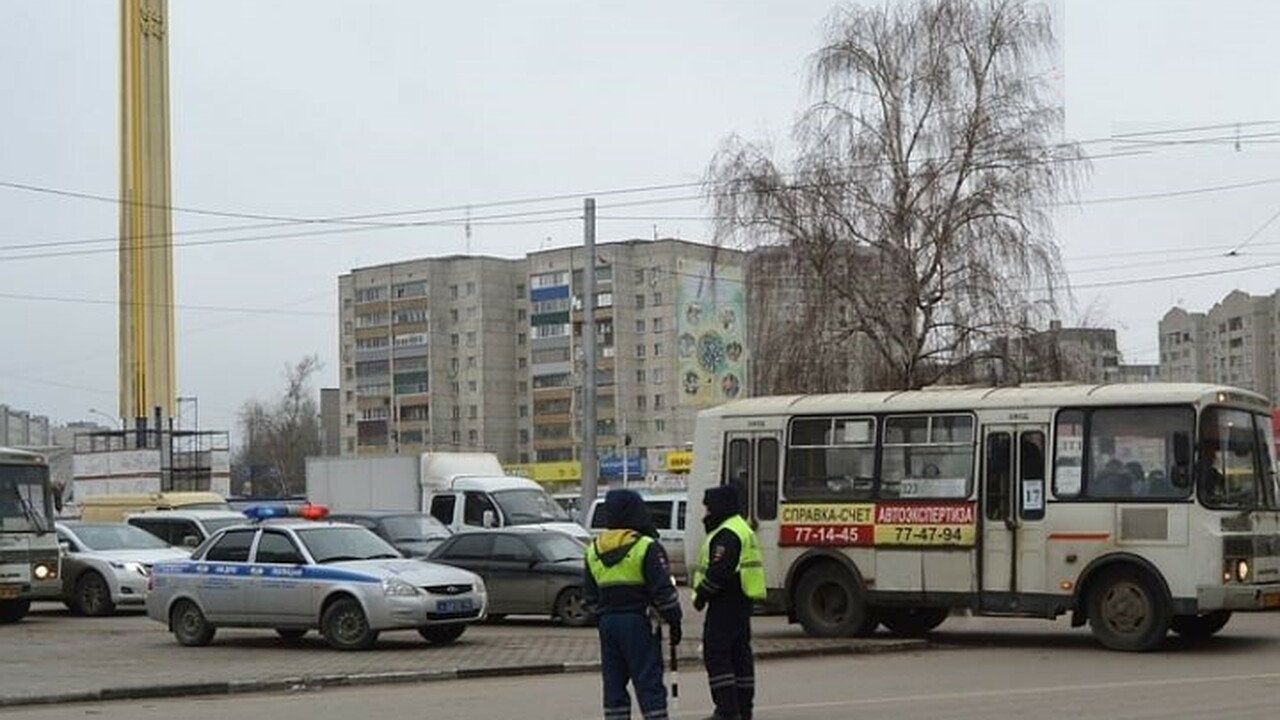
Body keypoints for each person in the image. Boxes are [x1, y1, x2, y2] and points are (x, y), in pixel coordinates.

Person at [584, 489, 683, 720]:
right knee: (648, 682)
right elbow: (663, 592)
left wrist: (603, 616)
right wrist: (674, 620)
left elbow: (589, 597)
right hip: (640, 622)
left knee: (614, 685)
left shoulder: (594, 549)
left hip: (608, 625)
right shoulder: (646, 546)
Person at [691, 486, 766, 720]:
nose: (706, 513)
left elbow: (719, 571)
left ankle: (726, 711)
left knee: (718, 654)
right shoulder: (740, 527)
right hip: (741, 600)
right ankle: (743, 710)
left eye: (709, 507)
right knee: (739, 655)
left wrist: (702, 594)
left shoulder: (727, 533)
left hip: (726, 602)